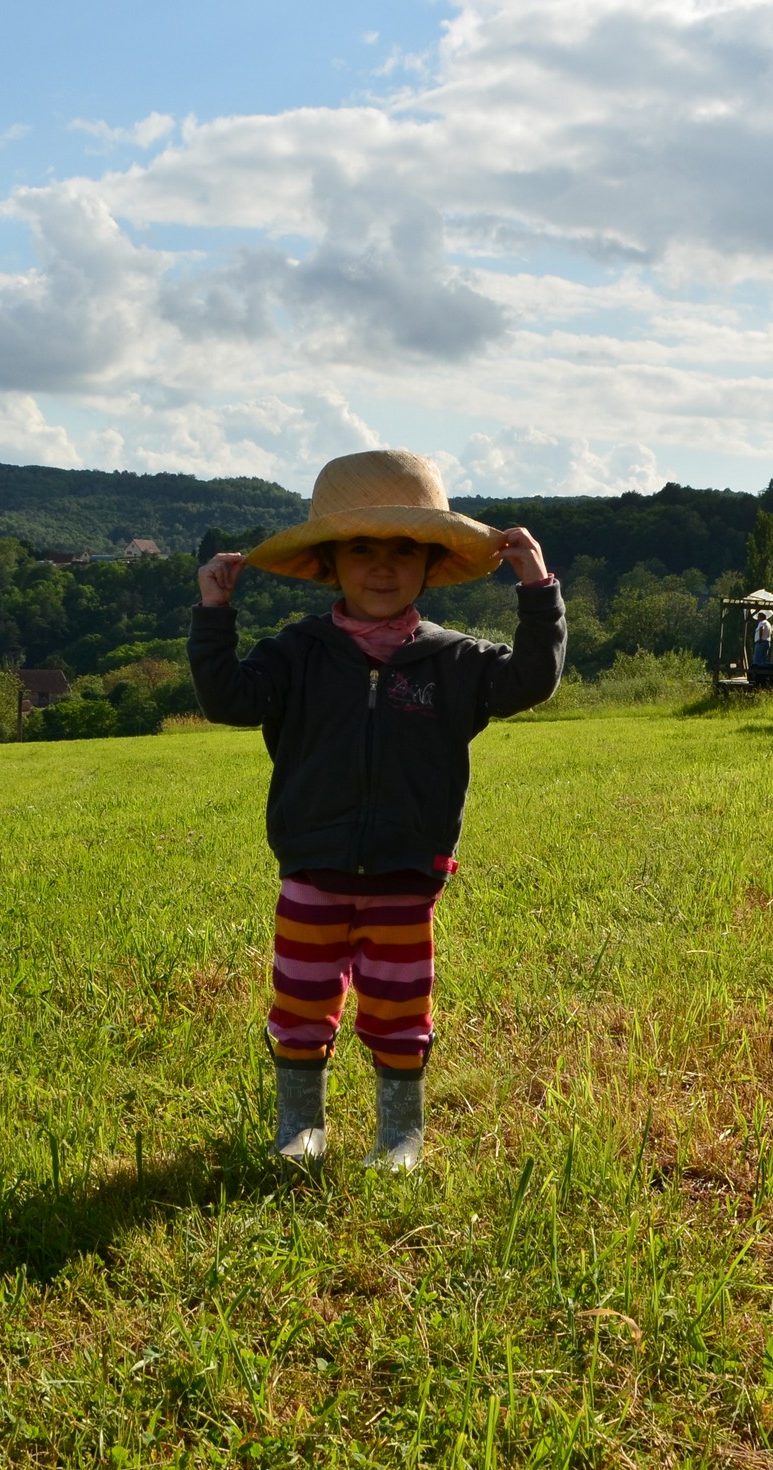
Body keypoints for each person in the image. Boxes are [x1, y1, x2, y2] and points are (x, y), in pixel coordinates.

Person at [191, 449, 566, 1170]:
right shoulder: (296, 653)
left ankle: (401, 1135)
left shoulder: (455, 661)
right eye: (362, 549)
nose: (383, 568)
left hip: (405, 872)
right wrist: (214, 614)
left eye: (403, 551)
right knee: (300, 1002)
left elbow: (531, 680)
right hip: (313, 868)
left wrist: (537, 590)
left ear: (430, 564)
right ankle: (300, 1127)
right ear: (331, 562)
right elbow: (229, 699)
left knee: (399, 1008)